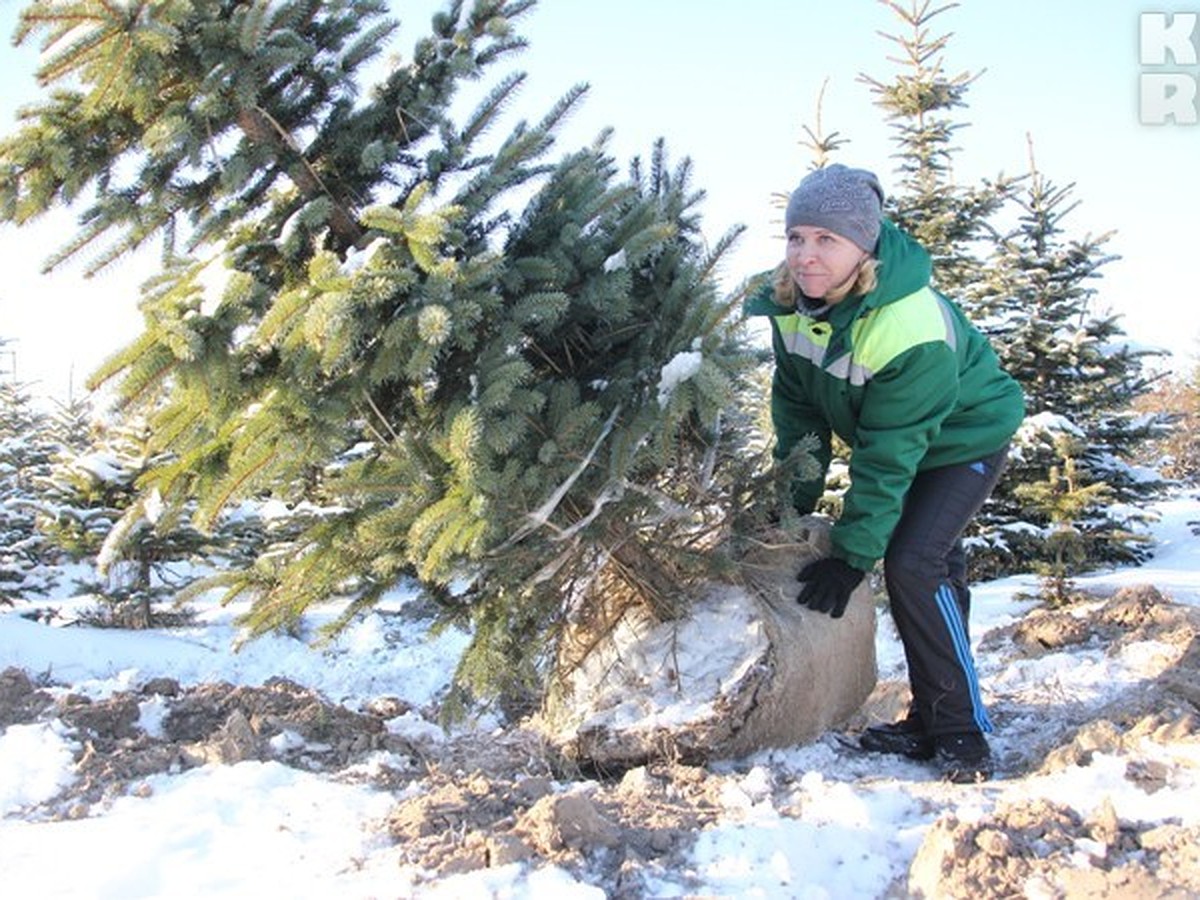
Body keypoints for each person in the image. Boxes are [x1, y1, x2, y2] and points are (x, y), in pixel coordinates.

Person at [743, 164, 1025, 784]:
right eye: (797, 237)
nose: (806, 256)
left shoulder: (906, 324)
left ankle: (962, 732)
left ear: (863, 247)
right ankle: (935, 714)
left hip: (963, 437)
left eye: (827, 240)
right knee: (933, 571)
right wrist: (789, 506)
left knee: (915, 564)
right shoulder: (792, 306)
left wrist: (852, 555)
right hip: (908, 439)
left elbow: (891, 453)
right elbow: (800, 417)